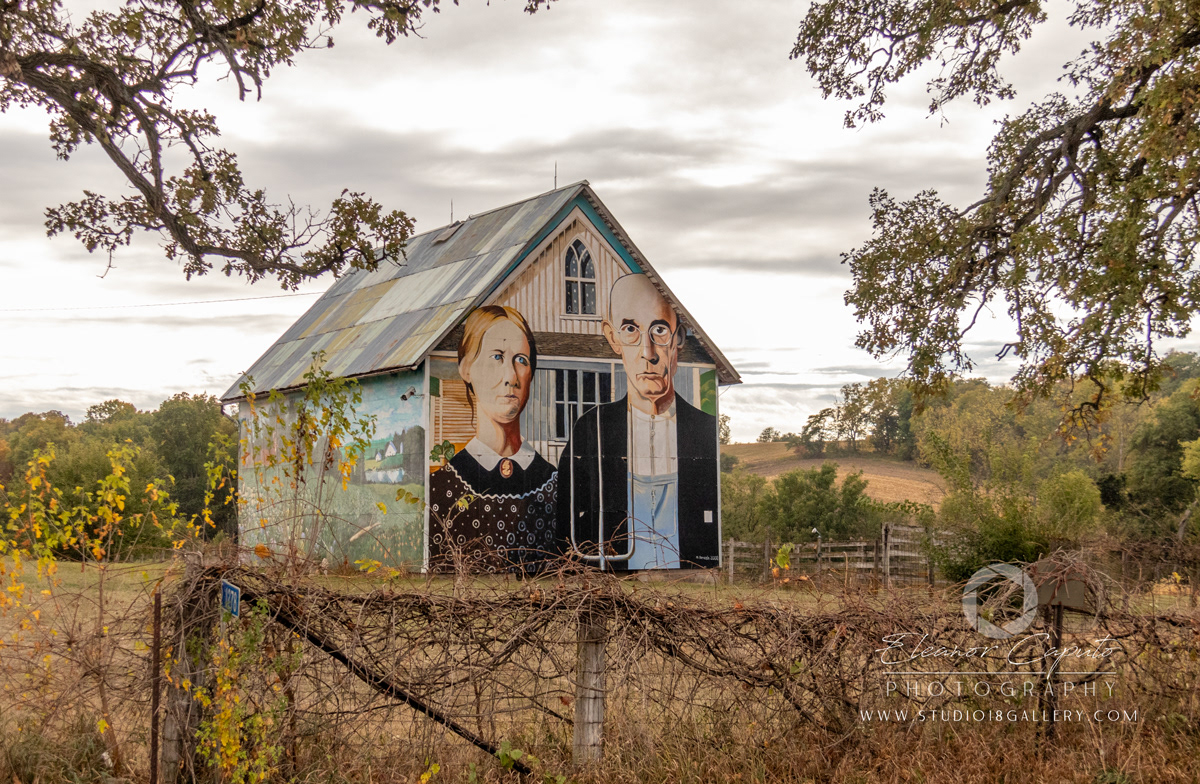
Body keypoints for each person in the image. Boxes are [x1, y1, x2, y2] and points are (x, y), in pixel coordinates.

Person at [557, 274, 719, 570]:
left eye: (659, 330)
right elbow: (566, 526)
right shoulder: (591, 430)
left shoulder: (704, 431)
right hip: (609, 585)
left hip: (685, 587)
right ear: (612, 337)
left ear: (678, 338)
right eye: (630, 329)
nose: (648, 353)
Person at [428, 306, 556, 572]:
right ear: (466, 369)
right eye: (497, 357)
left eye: (522, 360)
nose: (510, 377)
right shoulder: (439, 490)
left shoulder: (556, 485)